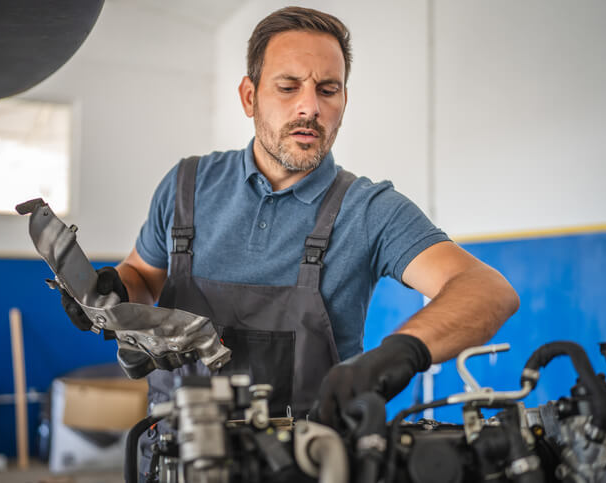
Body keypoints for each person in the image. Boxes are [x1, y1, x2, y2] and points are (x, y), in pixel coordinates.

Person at [61, 6, 519, 432]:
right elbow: (144, 274)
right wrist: (116, 290)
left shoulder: (370, 209)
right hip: (178, 451)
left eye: (327, 89)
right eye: (288, 86)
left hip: (310, 459)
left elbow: (488, 291)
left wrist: (399, 352)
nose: (310, 108)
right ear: (249, 96)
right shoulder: (187, 186)